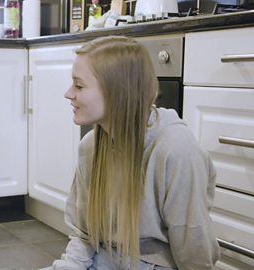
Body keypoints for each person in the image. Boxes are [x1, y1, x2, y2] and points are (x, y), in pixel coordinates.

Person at [48, 36, 220, 270]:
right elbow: (84, 235)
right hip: (104, 258)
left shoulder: (175, 150)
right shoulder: (90, 146)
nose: (69, 93)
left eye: (79, 85)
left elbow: (194, 249)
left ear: (117, 91)